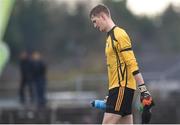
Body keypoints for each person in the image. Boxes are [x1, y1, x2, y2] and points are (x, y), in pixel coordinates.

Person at [89, 4, 154, 124]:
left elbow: (131, 63)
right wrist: (112, 94)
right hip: (118, 90)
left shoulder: (119, 34)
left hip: (121, 89)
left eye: (95, 21)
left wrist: (143, 90)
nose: (95, 25)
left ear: (103, 16)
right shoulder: (109, 38)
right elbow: (116, 69)